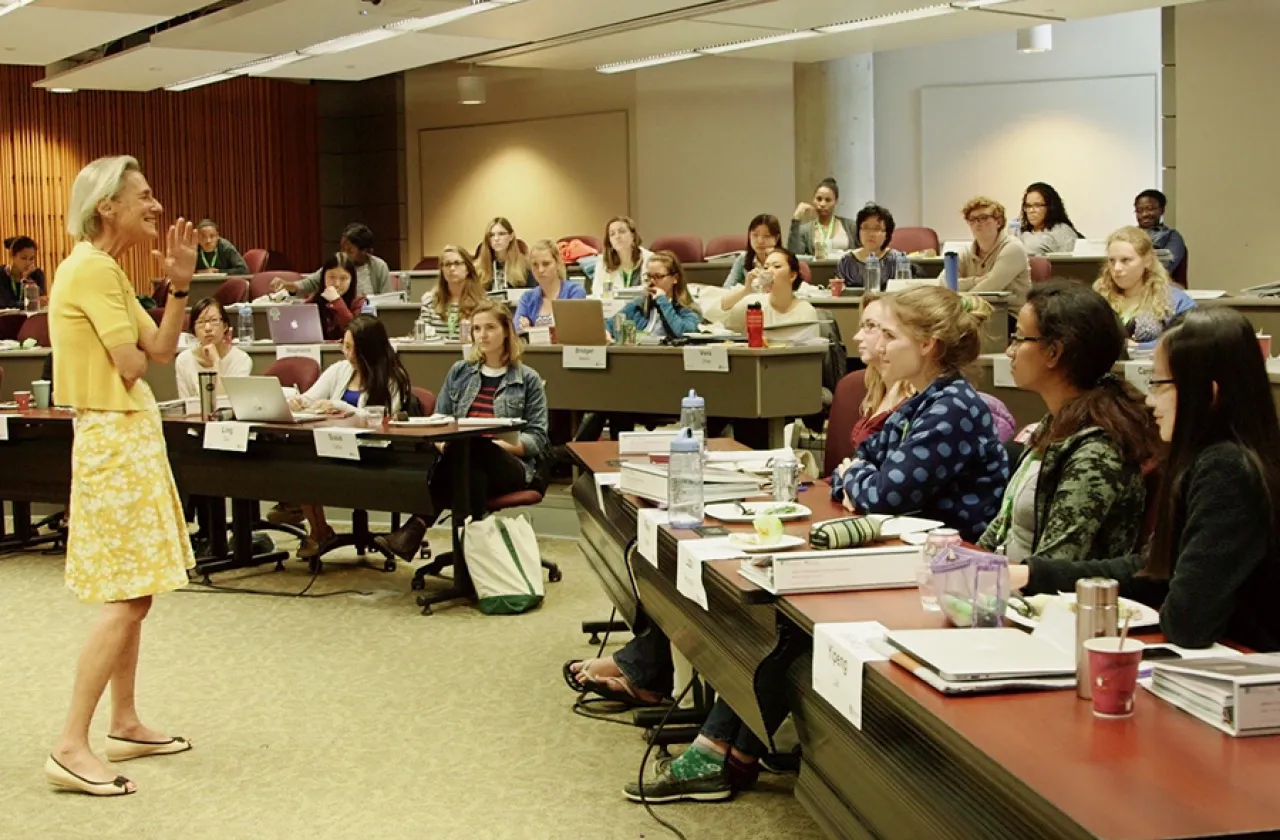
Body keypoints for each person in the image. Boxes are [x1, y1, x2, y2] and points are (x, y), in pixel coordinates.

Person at [45, 155, 197, 796]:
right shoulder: (91, 270)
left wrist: (181, 288)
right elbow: (134, 366)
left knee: (138, 590)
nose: (155, 204)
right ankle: (69, 745)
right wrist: (162, 312)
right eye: (143, 194)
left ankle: (125, 721)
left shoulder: (103, 269)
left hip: (126, 434)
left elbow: (161, 350)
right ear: (107, 205)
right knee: (126, 596)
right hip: (113, 437)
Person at [1012, 308, 1280, 652]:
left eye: (1159, 384)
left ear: (1208, 394)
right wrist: (1035, 575)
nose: (1150, 401)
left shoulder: (1228, 469)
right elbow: (1152, 568)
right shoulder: (1211, 458)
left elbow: (1188, 621)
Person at [977, 282, 1158, 562]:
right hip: (1007, 585)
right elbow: (1002, 529)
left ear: (1054, 353)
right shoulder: (1056, 422)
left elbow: (1055, 564)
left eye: (1019, 338)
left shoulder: (1097, 451)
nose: (1010, 351)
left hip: (1049, 600)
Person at [831, 286, 1009, 541]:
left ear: (927, 344)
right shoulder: (920, 402)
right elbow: (863, 457)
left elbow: (882, 498)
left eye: (890, 336)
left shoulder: (953, 409)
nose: (880, 348)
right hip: (910, 550)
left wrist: (852, 477)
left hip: (951, 561)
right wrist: (854, 479)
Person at [375, 301, 549, 560]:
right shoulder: (461, 372)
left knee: (475, 446)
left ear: (506, 331)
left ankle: (417, 526)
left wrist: (492, 446)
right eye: (477, 328)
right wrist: (446, 444)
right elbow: (440, 419)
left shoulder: (528, 378)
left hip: (511, 463)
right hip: (463, 460)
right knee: (471, 467)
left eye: (490, 327)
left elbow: (536, 439)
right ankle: (474, 559)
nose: (482, 335)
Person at [288, 315, 411, 559]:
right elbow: (311, 398)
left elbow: (385, 421)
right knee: (296, 460)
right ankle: (318, 528)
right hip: (333, 445)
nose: (347, 353)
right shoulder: (340, 370)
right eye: (344, 346)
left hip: (372, 451)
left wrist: (342, 407)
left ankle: (299, 511)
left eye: (352, 348)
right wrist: (299, 401)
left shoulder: (393, 378)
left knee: (307, 465)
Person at [1093, 226, 1195, 351]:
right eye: (1112, 261)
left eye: (1126, 260)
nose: (1117, 268)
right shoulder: (1098, 298)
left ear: (1147, 261)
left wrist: (1140, 347)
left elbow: (1188, 340)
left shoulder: (1175, 300)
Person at [849, 293, 913, 448]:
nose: (857, 337)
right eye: (862, 326)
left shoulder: (913, 401)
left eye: (870, 326)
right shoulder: (877, 389)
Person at [721, 247, 819, 340]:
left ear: (792, 275)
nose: (769, 272)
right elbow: (723, 312)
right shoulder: (753, 304)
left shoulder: (806, 311)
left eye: (777, 266)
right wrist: (746, 290)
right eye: (766, 267)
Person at [953, 196, 1030, 310]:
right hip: (974, 312)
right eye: (972, 219)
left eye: (983, 218)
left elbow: (989, 288)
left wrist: (958, 298)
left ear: (998, 222)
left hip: (1008, 314)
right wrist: (976, 280)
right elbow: (945, 284)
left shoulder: (1013, 248)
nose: (977, 223)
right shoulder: (965, 252)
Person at [275, 223, 391, 298]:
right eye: (342, 248)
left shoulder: (379, 267)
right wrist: (287, 285)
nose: (343, 253)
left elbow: (386, 300)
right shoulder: (338, 262)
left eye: (349, 250)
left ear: (365, 251)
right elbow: (310, 283)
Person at [607, 250, 702, 340]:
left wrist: (663, 301)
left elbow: (684, 333)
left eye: (658, 276)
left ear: (675, 278)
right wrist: (606, 331)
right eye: (649, 276)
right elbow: (610, 324)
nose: (652, 281)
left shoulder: (689, 310)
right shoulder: (638, 304)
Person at [174, 297, 252, 398]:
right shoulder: (184, 360)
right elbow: (185, 405)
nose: (207, 328)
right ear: (193, 330)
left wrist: (216, 362)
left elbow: (223, 405)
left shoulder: (241, 360)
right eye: (201, 322)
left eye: (214, 320)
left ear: (225, 326)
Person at [834, 203, 915, 291]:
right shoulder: (846, 261)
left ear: (887, 234)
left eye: (877, 229)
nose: (870, 234)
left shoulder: (897, 260)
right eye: (865, 227)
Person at [513, 239, 585, 331]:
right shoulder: (527, 298)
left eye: (546, 264)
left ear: (558, 264)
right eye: (535, 264)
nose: (540, 270)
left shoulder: (574, 292)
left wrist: (530, 329)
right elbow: (517, 331)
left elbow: (570, 329)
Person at [420, 245, 484, 340]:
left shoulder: (481, 302)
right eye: (447, 264)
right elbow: (422, 333)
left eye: (457, 263)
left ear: (468, 268)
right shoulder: (429, 300)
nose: (452, 268)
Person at [787, 177, 857, 258]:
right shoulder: (805, 230)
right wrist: (796, 219)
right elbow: (794, 257)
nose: (822, 204)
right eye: (819, 199)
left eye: (828, 200)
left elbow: (863, 253)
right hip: (817, 270)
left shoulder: (850, 226)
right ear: (813, 200)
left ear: (836, 202)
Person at [308, 252, 366, 341]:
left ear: (352, 280)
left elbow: (354, 331)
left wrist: (337, 302)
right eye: (331, 277)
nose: (337, 284)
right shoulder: (314, 300)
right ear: (323, 277)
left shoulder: (360, 302)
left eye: (343, 278)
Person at [592, 216, 651, 297]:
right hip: (613, 308)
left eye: (622, 231)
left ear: (633, 236)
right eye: (612, 234)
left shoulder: (649, 259)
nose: (617, 237)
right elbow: (597, 292)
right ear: (610, 242)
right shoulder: (603, 263)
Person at [1134, 188, 1187, 277]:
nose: (1144, 214)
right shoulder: (1128, 236)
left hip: (1160, 286)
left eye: (1150, 209)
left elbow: (1164, 268)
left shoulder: (1172, 236)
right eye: (1139, 210)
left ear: (1162, 210)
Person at [1017, 183, 1081, 255]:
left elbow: (1074, 262)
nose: (1031, 210)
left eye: (1037, 205)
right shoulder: (1020, 231)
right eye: (1028, 206)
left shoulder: (1061, 230)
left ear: (1050, 207)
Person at [721, 214, 782, 289]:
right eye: (755, 235)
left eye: (767, 236)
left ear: (777, 238)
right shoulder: (743, 259)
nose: (760, 241)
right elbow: (726, 288)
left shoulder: (785, 260)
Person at [476, 216, 529, 290]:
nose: (496, 239)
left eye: (501, 234)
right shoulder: (478, 269)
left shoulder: (526, 266)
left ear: (511, 236)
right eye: (491, 235)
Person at [1, 235, 46, 307]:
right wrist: (31, 303)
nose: (28, 263)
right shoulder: (2, 274)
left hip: (31, 317)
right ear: (12, 255)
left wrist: (26, 279)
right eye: (24, 258)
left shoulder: (36, 274)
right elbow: (5, 303)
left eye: (31, 259)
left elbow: (40, 300)